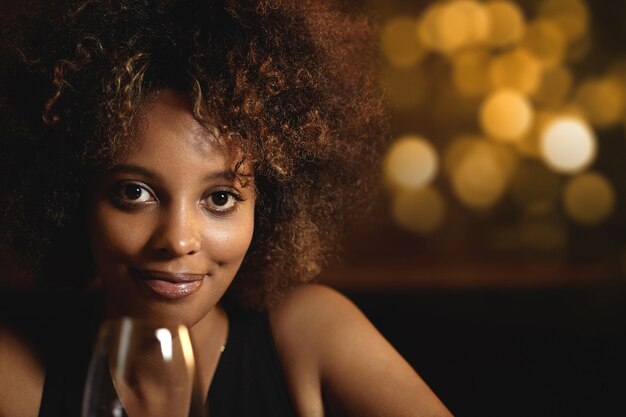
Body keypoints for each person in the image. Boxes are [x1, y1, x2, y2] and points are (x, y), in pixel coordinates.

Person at [0, 0, 453, 416]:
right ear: (70, 196)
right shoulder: (16, 376)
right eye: (134, 193)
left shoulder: (309, 335)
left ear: (268, 204)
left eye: (220, 198)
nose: (177, 239)